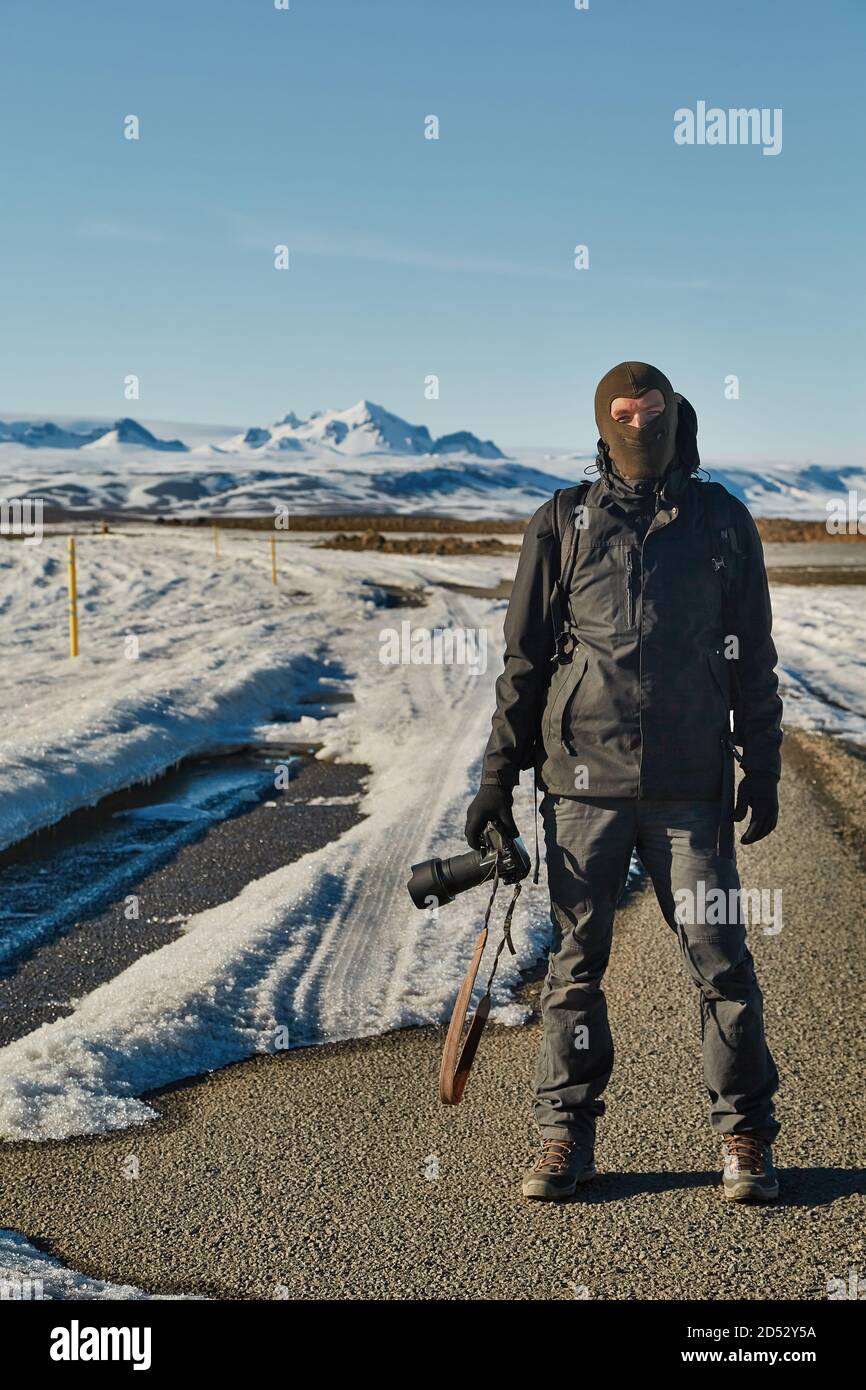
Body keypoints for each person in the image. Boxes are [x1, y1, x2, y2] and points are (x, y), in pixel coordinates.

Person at [465, 361, 783, 1203]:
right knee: (574, 967)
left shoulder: (721, 523)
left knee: (721, 960)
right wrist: (496, 782)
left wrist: (766, 764)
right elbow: (524, 663)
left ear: (677, 418)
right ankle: (564, 1133)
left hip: (692, 788)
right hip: (581, 788)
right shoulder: (562, 523)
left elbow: (753, 654)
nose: (637, 425)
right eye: (621, 412)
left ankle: (745, 1134)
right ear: (602, 423)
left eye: (652, 411)